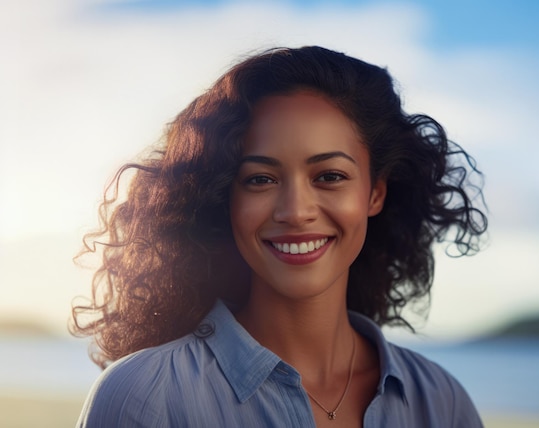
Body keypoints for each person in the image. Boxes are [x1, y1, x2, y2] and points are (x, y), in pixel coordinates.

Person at [72, 46, 487, 427]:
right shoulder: (146, 398)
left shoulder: (441, 404)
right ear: (224, 197)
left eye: (329, 176)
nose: (295, 211)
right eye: (260, 179)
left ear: (375, 192)